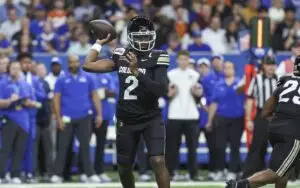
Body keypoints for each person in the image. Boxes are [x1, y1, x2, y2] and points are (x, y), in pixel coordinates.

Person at [83, 16, 170, 188]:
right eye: (140, 37)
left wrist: (137, 72)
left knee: (158, 160)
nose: (144, 41)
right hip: (126, 120)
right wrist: (99, 43)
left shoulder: (159, 56)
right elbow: (88, 65)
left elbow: (160, 90)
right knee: (124, 167)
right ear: (131, 37)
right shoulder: (120, 54)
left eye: (147, 37)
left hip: (150, 117)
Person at [226, 56, 300, 188]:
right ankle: (240, 185)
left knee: (285, 169)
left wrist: (281, 118)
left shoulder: (286, 82)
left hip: (275, 126)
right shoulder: (267, 79)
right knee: (277, 172)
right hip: (293, 130)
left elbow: (265, 112)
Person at [50, 54, 102, 183]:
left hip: (85, 116)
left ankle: (89, 174)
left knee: (85, 146)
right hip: (66, 117)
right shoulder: (61, 79)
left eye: (76, 62)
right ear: (68, 63)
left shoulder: (88, 77)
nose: (75, 64)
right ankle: (58, 174)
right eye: (72, 62)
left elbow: (95, 96)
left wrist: (99, 114)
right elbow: (56, 99)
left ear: (80, 62)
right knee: (63, 147)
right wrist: (58, 118)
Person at [166, 50, 202, 181]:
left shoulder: (196, 75)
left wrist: (198, 93)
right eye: (181, 59)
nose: (183, 62)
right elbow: (166, 94)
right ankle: (170, 173)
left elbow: (200, 95)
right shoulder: (170, 75)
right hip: (174, 114)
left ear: (189, 60)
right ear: (177, 60)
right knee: (172, 148)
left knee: (192, 147)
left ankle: (194, 174)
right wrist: (169, 94)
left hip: (191, 115)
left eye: (186, 59)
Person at [0, 61, 38, 184]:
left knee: (19, 149)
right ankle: (2, 175)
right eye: (13, 68)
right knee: (5, 149)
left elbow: (35, 103)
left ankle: (15, 174)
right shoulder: (3, 84)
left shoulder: (26, 85)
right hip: (9, 118)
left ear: (20, 70)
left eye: (17, 68)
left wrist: (28, 103)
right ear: (8, 69)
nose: (15, 70)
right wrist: (9, 101)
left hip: (24, 121)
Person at [206, 61, 245, 181]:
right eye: (226, 68)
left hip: (237, 118)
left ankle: (233, 171)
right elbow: (214, 103)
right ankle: (220, 170)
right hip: (221, 118)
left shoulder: (240, 83)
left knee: (235, 146)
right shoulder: (218, 84)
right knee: (220, 146)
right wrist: (209, 121)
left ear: (234, 69)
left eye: (230, 67)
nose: (228, 70)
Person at [242, 56, 278, 178]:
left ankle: (283, 173)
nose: (271, 67)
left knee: (281, 145)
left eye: (272, 64)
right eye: (268, 65)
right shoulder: (256, 79)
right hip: (262, 114)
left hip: (277, 116)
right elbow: (250, 100)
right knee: (258, 145)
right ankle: (251, 173)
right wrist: (248, 119)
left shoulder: (280, 79)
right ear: (263, 66)